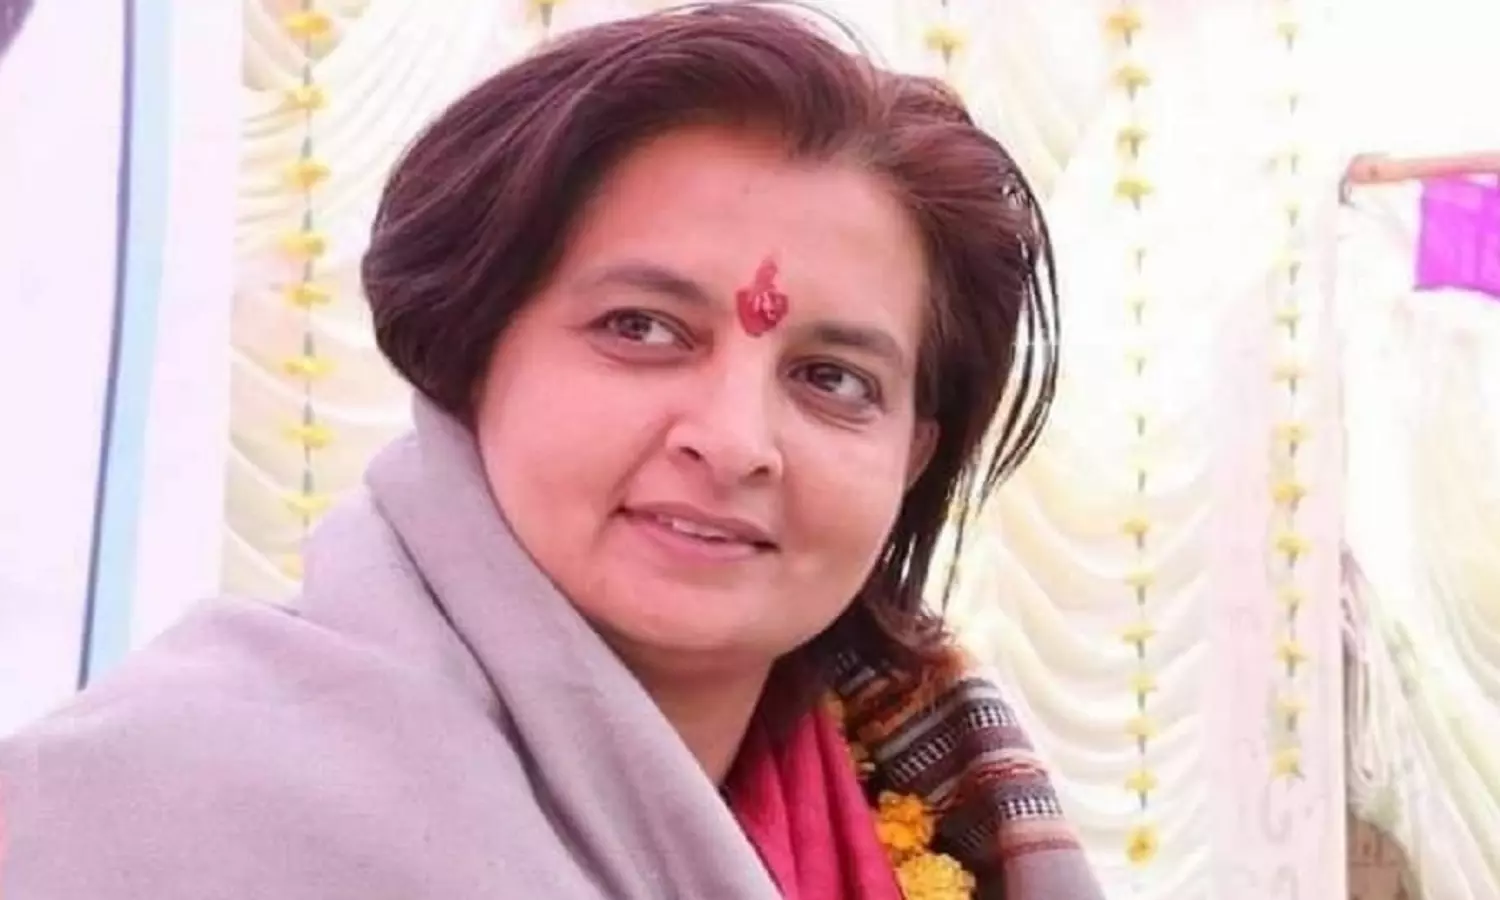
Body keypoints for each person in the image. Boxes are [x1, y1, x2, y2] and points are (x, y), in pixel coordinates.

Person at [0, 4, 1101, 898]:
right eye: (642, 328)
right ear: (474, 354)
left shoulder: (949, 812)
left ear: (913, 454)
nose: (733, 442)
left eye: (833, 380)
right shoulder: (146, 809)